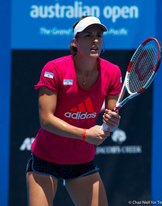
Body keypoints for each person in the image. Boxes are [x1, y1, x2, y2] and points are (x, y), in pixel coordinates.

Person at [26, 16, 122, 206]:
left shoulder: (112, 72)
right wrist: (86, 134)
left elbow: (112, 118)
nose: (95, 40)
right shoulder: (54, 69)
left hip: (82, 161)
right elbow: (46, 119)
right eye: (87, 35)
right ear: (75, 42)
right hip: (46, 159)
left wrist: (112, 122)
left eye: (99, 35)